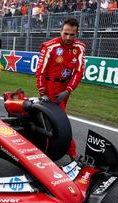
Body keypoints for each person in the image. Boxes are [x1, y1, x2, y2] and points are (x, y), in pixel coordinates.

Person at [35, 18, 86, 159]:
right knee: (61, 123)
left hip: (65, 88)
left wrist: (68, 90)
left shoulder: (80, 48)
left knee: (52, 121)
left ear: (77, 33)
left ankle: (47, 150)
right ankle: (73, 155)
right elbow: (40, 71)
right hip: (50, 87)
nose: (68, 37)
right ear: (60, 31)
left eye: (72, 34)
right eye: (65, 33)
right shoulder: (50, 46)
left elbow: (79, 72)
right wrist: (42, 91)